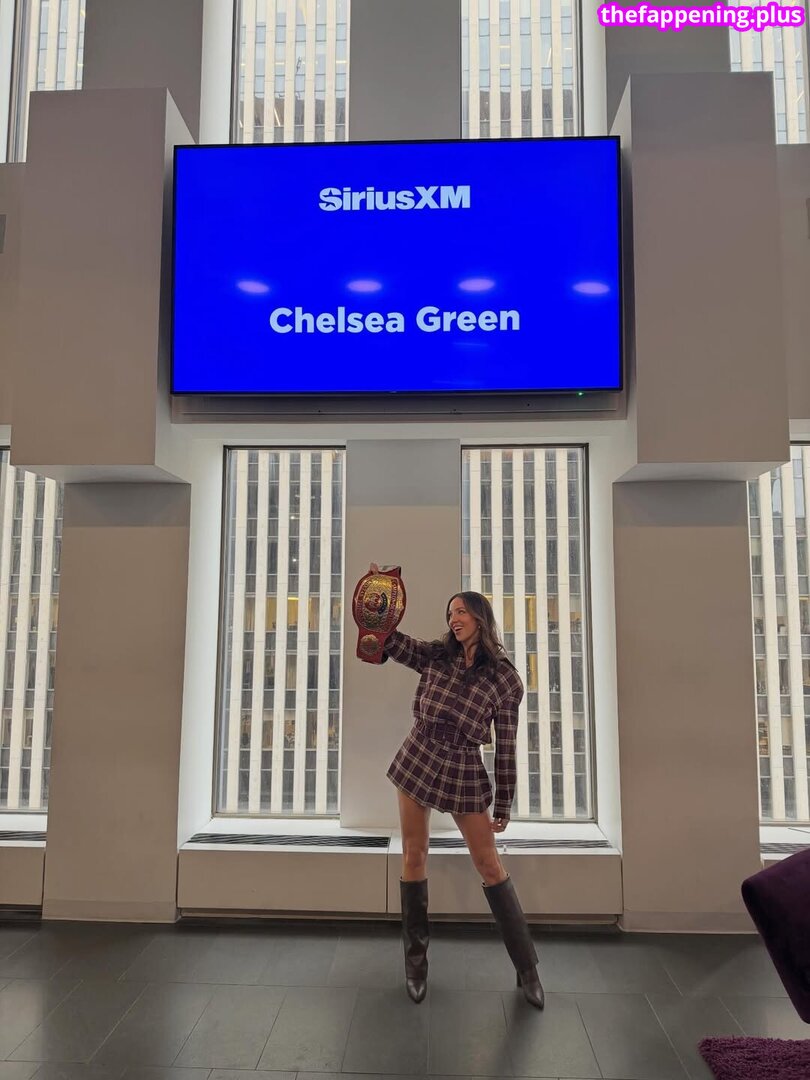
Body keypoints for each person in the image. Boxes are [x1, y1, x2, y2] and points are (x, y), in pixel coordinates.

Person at [364, 563, 544, 1009]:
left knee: (489, 865)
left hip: (464, 765)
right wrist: (377, 595)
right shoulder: (438, 655)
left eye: (461, 611)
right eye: (450, 613)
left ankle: (527, 969)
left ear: (480, 617)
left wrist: (504, 800)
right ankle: (416, 966)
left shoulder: (505, 679)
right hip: (419, 754)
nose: (453, 618)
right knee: (414, 854)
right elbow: (394, 644)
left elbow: (506, 746)